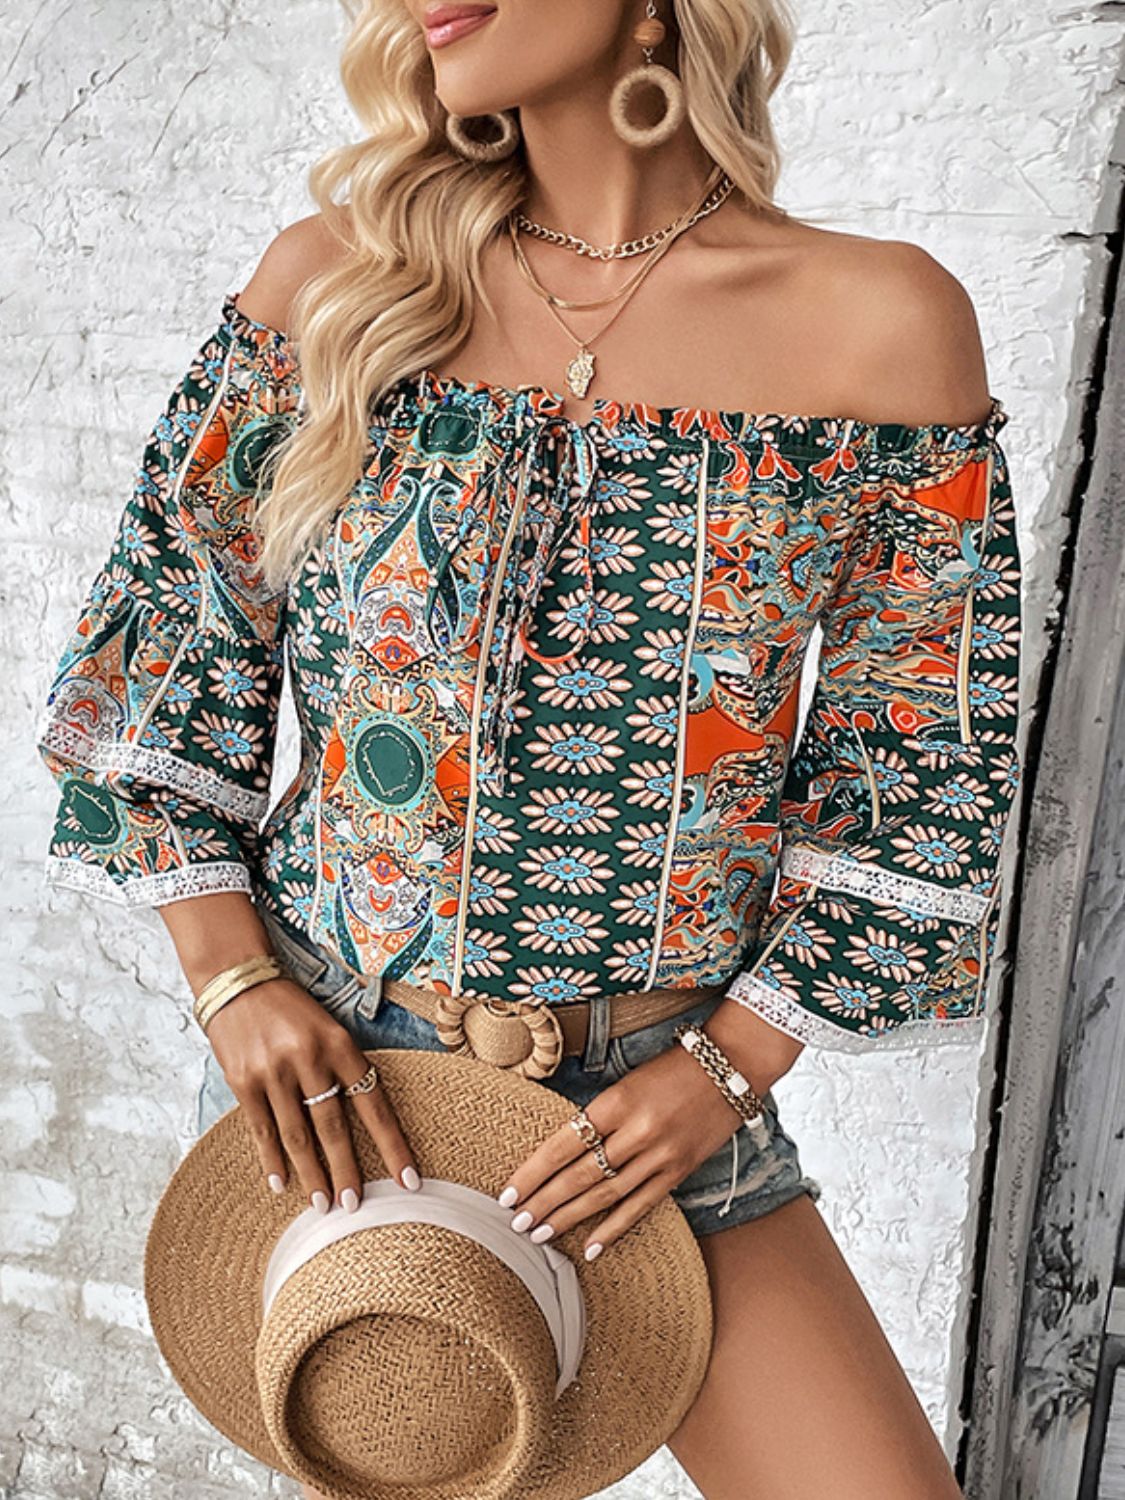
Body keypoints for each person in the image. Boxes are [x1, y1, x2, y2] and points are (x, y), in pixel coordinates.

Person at [37, 0, 1022, 1495]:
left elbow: (922, 766)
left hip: (657, 1106)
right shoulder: (338, 286)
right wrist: (231, 978)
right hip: (351, 1089)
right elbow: (162, 655)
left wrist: (728, 1069)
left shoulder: (878, 323)